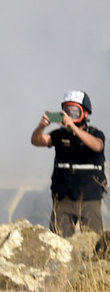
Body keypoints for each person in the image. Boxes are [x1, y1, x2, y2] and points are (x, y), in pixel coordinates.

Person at [31, 90, 106, 237]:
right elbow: (37, 141)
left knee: (94, 241)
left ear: (86, 113)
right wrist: (41, 127)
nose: (70, 115)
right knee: (58, 241)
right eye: (67, 111)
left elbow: (97, 146)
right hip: (63, 197)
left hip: (90, 197)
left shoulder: (96, 133)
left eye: (75, 111)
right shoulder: (59, 134)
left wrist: (73, 127)